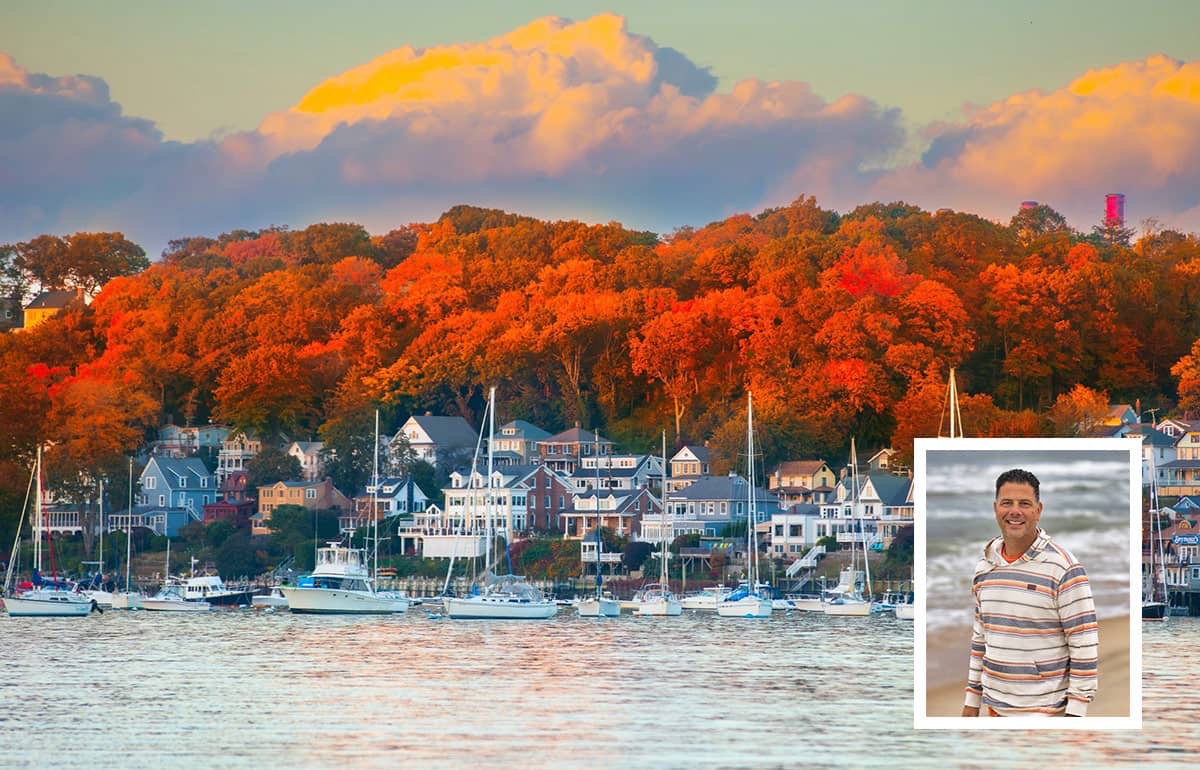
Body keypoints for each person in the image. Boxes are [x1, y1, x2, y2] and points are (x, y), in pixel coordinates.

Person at [961, 468, 1098, 717]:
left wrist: (1076, 712)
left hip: (1046, 713)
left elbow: (1084, 642)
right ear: (995, 509)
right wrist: (972, 700)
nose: (1015, 511)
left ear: (1038, 510)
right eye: (1007, 503)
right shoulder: (985, 566)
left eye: (1024, 503)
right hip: (993, 710)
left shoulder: (1064, 568)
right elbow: (981, 638)